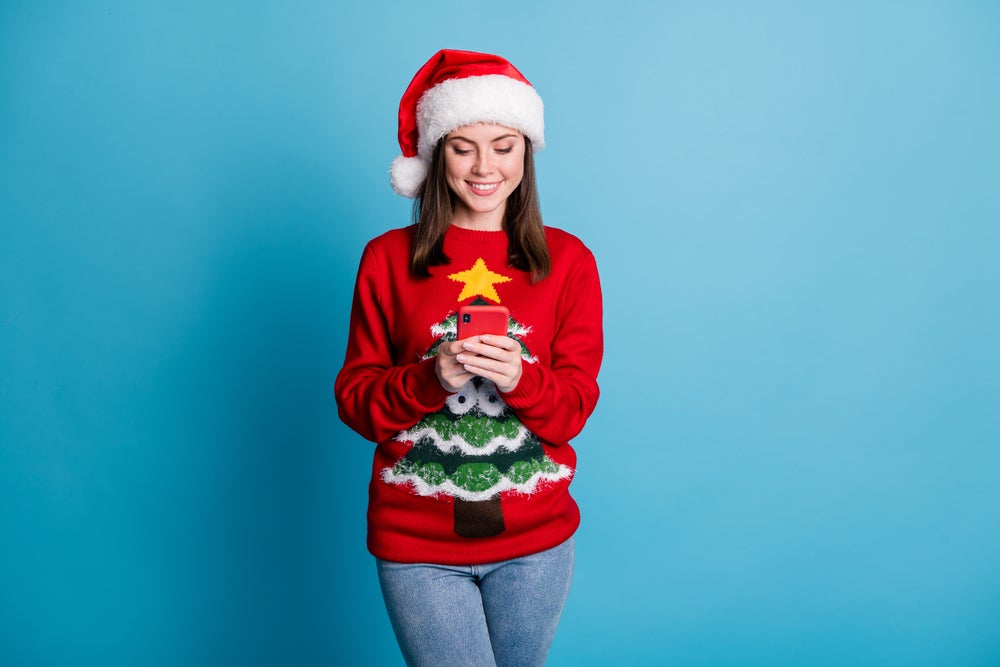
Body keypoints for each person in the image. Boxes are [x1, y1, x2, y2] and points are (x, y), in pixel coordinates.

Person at [335, 49, 603, 667]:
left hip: (537, 545)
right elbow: (356, 400)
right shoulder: (386, 259)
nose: (486, 167)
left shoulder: (568, 262)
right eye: (463, 147)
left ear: (526, 152)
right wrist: (431, 377)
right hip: (417, 546)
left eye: (504, 146)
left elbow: (572, 413)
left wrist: (524, 380)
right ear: (435, 155)